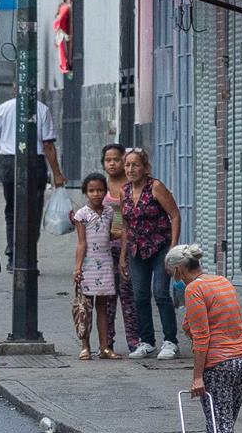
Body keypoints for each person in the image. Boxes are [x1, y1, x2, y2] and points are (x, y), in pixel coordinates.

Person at [167, 243, 242, 433]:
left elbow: (202, 338)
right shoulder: (221, 281)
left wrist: (197, 377)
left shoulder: (194, 289)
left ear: (178, 270)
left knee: (221, 428)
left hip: (219, 365)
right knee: (224, 422)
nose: (172, 278)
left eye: (171, 274)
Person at [0, 95, 66, 270]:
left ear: (15, 88)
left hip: (10, 163)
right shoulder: (41, 109)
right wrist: (57, 174)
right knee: (33, 212)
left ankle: (13, 257)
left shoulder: (4, 108)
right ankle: (29, 256)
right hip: (35, 163)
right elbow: (48, 145)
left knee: (12, 211)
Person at [120, 147, 182, 360]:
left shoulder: (155, 187)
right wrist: (123, 256)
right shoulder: (124, 191)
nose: (130, 169)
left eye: (135, 165)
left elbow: (174, 216)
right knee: (140, 295)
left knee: (161, 293)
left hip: (160, 247)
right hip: (137, 250)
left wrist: (173, 249)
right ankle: (146, 341)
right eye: (127, 165)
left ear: (145, 167)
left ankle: (170, 341)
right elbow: (126, 226)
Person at [100, 142, 142, 354]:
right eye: (108, 160)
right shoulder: (100, 185)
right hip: (105, 249)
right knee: (107, 296)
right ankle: (106, 342)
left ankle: (134, 341)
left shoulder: (131, 186)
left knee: (128, 294)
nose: (113, 164)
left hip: (128, 246)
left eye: (116, 159)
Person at [72, 173, 120, 359]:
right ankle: (85, 346)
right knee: (85, 308)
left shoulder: (110, 212)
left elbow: (113, 233)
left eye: (100, 190)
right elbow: (81, 243)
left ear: (105, 191)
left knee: (103, 308)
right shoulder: (81, 215)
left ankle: (104, 347)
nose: (96, 194)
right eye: (92, 190)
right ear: (85, 192)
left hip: (106, 263)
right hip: (88, 265)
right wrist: (77, 268)